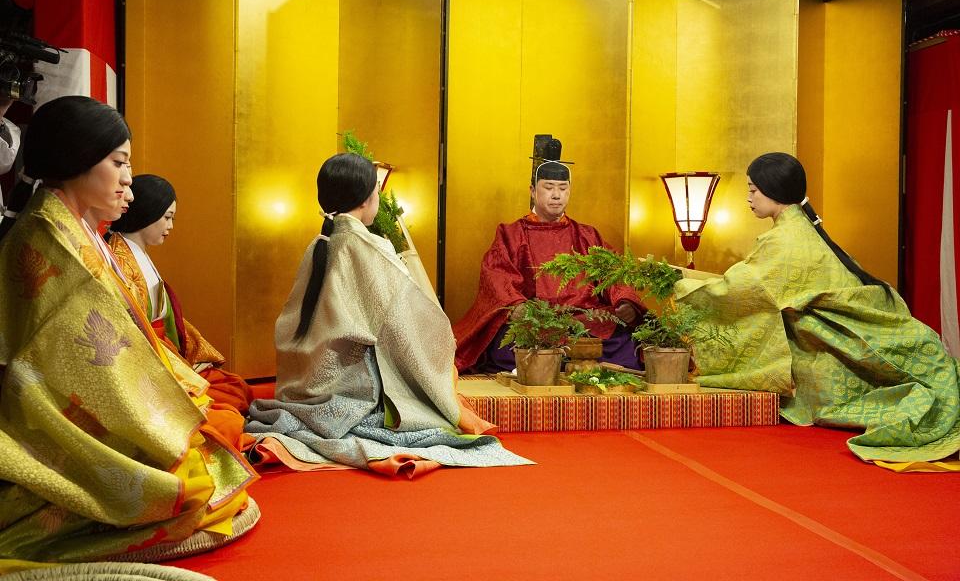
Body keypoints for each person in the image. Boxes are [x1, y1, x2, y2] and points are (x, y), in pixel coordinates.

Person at [0, 96, 257, 571]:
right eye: (119, 163)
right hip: (58, 413)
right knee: (196, 475)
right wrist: (166, 415)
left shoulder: (74, 227)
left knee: (216, 428)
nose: (127, 183)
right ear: (77, 157)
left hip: (103, 392)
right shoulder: (48, 235)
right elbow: (76, 360)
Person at [245, 153, 531, 477]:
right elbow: (402, 321)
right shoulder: (369, 248)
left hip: (310, 375)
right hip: (352, 386)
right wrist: (439, 343)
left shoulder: (321, 243)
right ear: (369, 199)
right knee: (430, 368)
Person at [675, 152, 960, 471]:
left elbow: (737, 290)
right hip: (832, 341)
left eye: (754, 190)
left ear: (775, 189)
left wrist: (681, 284)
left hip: (837, 350)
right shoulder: (799, 231)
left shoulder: (787, 240)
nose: (748, 198)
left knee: (866, 401)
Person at [453, 143, 644, 372]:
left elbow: (613, 273)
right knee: (505, 344)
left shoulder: (587, 235)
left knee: (625, 342)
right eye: (549, 187)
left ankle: (566, 363)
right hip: (535, 320)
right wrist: (516, 305)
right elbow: (497, 275)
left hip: (583, 319)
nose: (556, 195)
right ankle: (573, 364)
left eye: (563, 188)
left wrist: (624, 300)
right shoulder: (511, 233)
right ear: (533, 190)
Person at [108, 174, 254, 421]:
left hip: (168, 353)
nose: (170, 227)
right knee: (227, 407)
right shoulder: (120, 259)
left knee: (236, 388)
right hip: (150, 360)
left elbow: (170, 322)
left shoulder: (135, 253)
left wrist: (193, 358)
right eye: (167, 218)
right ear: (147, 212)